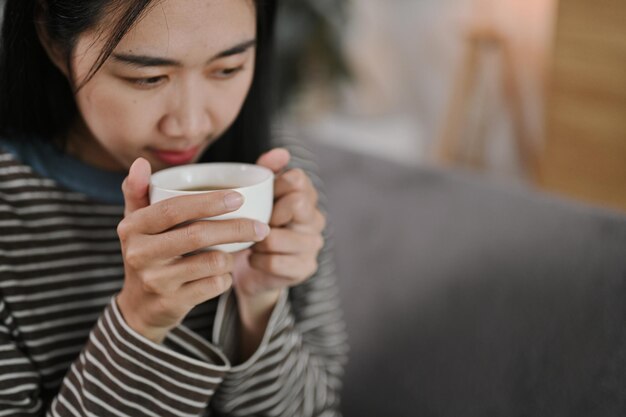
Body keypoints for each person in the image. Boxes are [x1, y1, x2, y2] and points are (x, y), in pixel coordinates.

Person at [0, 0, 348, 415]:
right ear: (53, 40)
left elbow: (318, 408)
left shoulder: (277, 179)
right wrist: (140, 324)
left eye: (228, 69)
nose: (191, 124)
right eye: (148, 77)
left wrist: (258, 305)